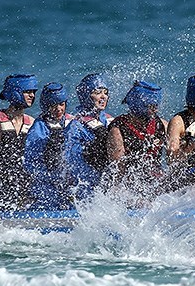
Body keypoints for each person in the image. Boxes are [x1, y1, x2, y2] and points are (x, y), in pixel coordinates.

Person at [0, 73, 38, 209]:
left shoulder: (31, 122)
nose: (32, 95)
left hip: (24, 186)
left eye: (33, 92)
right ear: (15, 92)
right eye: (27, 92)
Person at [106, 80, 169, 202]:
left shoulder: (162, 125)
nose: (155, 110)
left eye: (156, 106)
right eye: (151, 107)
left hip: (155, 183)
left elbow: (176, 154)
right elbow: (118, 171)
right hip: (131, 186)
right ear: (139, 105)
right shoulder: (118, 129)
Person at [63, 73, 115, 201]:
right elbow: (71, 164)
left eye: (105, 93)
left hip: (107, 186)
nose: (103, 97)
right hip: (85, 189)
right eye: (97, 93)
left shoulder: (110, 121)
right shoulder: (75, 127)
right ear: (86, 96)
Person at [24, 82, 75, 210]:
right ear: (46, 106)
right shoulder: (39, 128)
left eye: (61, 104)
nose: (58, 109)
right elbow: (31, 161)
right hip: (45, 185)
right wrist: (51, 177)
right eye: (53, 105)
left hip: (67, 182)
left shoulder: (72, 122)